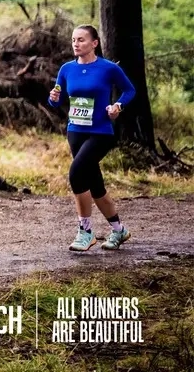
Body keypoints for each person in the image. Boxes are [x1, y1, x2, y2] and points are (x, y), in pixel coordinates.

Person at [48, 24, 136, 251]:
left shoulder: (108, 69)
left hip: (101, 133)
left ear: (94, 43)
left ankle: (85, 232)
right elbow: (56, 101)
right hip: (75, 132)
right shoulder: (66, 69)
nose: (76, 44)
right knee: (94, 184)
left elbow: (129, 90)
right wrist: (54, 97)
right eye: (73, 40)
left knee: (76, 173)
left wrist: (118, 106)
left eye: (81, 40)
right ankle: (119, 230)